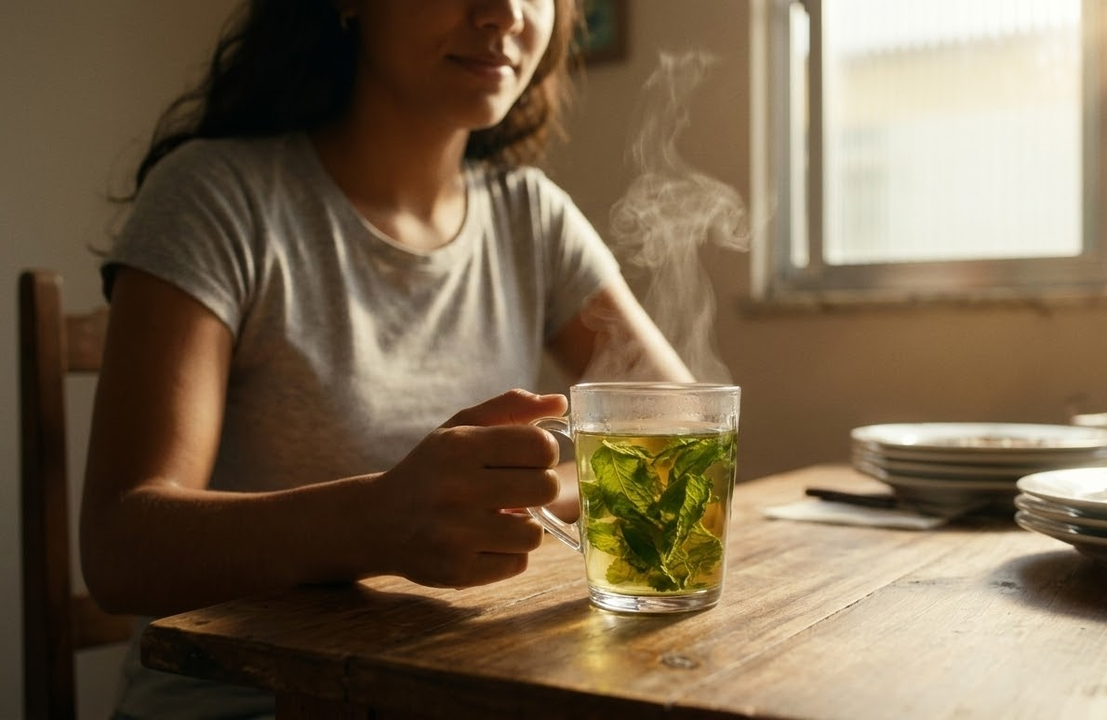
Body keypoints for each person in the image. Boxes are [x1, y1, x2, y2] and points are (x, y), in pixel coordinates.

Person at [81, 0, 693, 715]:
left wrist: (492, 500)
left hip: (454, 691)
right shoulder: (214, 197)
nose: (504, 12)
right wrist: (376, 520)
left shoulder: (531, 215)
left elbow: (681, 435)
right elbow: (121, 548)